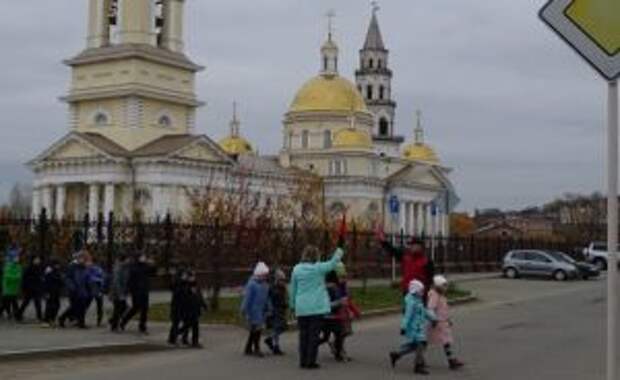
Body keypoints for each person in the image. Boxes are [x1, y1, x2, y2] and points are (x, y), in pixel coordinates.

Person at [290, 245, 345, 370]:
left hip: (301, 307)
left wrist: (292, 305)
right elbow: (333, 263)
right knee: (313, 335)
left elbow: (292, 288)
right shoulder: (319, 268)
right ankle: (311, 361)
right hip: (316, 307)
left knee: (303, 335)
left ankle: (303, 360)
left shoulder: (296, 269)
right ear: (316, 255)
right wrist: (339, 250)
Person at [389, 280, 437, 375]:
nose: (423, 293)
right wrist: (403, 327)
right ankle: (418, 366)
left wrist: (433, 319)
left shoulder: (418, 300)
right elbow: (407, 315)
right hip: (413, 329)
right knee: (421, 345)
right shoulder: (411, 302)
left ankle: (397, 354)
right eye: (421, 291)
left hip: (419, 328)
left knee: (414, 346)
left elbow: (424, 311)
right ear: (415, 291)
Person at [378, 232, 434, 301]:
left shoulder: (427, 261)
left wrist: (426, 292)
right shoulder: (406, 257)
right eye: (411, 245)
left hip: (420, 294)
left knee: (419, 311)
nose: (412, 247)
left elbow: (430, 279)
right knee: (407, 311)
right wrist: (384, 241)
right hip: (407, 292)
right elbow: (393, 251)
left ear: (421, 246)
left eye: (414, 245)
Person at [427, 275, 464, 370]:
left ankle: (451, 360)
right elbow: (430, 309)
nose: (445, 288)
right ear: (437, 286)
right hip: (436, 323)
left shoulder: (441, 295)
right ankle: (419, 358)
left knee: (446, 341)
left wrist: (448, 319)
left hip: (443, 323)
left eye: (445, 286)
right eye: (443, 286)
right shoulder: (434, 295)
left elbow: (444, 309)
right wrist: (433, 319)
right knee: (426, 342)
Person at [240, 262, 272, 357]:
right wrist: (244, 309)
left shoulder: (265, 285)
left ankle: (248, 347)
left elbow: (267, 298)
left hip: (261, 310)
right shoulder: (252, 284)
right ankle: (256, 348)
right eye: (264, 275)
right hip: (253, 311)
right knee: (257, 330)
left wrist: (269, 307)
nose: (265, 277)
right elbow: (247, 298)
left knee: (254, 330)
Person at [120, 252, 155, 334]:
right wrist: (130, 290)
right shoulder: (134, 267)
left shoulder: (146, 266)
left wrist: (152, 264)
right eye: (142, 257)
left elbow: (153, 273)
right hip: (136, 291)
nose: (144, 258)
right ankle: (124, 321)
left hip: (144, 290)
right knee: (136, 308)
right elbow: (131, 279)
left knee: (145, 309)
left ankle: (142, 326)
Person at [59, 251, 91, 329]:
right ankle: (62, 318)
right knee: (74, 307)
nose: (84, 260)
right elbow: (67, 278)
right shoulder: (72, 267)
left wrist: (88, 287)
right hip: (74, 290)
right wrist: (72, 287)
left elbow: (86, 278)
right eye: (82, 258)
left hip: (82, 290)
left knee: (82, 307)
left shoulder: (84, 267)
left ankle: (81, 323)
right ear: (78, 258)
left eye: (84, 259)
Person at [178, 272, 207, 349]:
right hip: (188, 309)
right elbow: (183, 298)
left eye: (193, 276)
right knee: (187, 325)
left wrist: (204, 306)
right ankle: (180, 335)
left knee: (195, 326)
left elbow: (200, 297)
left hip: (195, 309)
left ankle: (194, 341)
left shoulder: (196, 287)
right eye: (191, 277)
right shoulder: (185, 286)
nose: (193, 278)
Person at [265, 269, 288, 355]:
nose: (283, 281)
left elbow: (284, 298)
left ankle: (271, 340)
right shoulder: (272, 288)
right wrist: (269, 309)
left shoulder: (283, 288)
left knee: (282, 327)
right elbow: (270, 299)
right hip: (275, 310)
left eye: (283, 280)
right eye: (281, 280)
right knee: (277, 327)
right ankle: (276, 346)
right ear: (277, 279)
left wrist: (285, 304)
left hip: (281, 309)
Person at [16, 254, 45, 322]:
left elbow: (40, 277)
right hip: (30, 288)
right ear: (33, 260)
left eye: (38, 259)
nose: (38, 260)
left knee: (37, 302)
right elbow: (25, 278)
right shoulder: (29, 268)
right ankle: (18, 314)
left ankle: (39, 316)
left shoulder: (39, 267)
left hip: (36, 288)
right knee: (26, 302)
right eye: (36, 259)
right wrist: (25, 288)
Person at [167, 266, 190, 345]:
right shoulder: (177, 282)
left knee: (187, 322)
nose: (186, 276)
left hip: (185, 305)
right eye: (184, 274)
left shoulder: (187, 283)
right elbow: (176, 292)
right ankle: (172, 338)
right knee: (176, 322)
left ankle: (184, 338)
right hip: (177, 305)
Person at [108, 254, 130, 332]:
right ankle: (114, 326)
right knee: (118, 308)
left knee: (123, 307)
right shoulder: (119, 268)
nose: (129, 260)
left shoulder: (125, 268)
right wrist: (120, 293)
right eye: (128, 259)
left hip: (121, 291)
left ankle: (113, 321)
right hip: (116, 292)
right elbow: (116, 282)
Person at [1, 246, 22, 320]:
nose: (17, 258)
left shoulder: (17, 266)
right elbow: (8, 276)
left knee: (10, 302)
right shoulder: (8, 266)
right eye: (16, 257)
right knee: (8, 302)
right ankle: (17, 315)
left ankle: (15, 315)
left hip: (13, 287)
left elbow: (19, 275)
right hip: (8, 287)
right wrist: (16, 278)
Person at [43, 259, 64, 327]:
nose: (58, 266)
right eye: (56, 265)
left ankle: (52, 319)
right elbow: (46, 282)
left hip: (56, 291)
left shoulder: (58, 272)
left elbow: (61, 281)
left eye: (58, 265)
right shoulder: (49, 272)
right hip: (50, 291)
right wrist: (46, 292)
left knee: (56, 306)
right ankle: (46, 320)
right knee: (49, 306)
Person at [86, 257, 105, 327]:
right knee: (99, 306)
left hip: (93, 289)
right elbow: (102, 279)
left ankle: (79, 319)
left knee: (88, 304)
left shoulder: (90, 268)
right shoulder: (98, 269)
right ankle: (99, 321)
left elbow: (88, 278)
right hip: (96, 289)